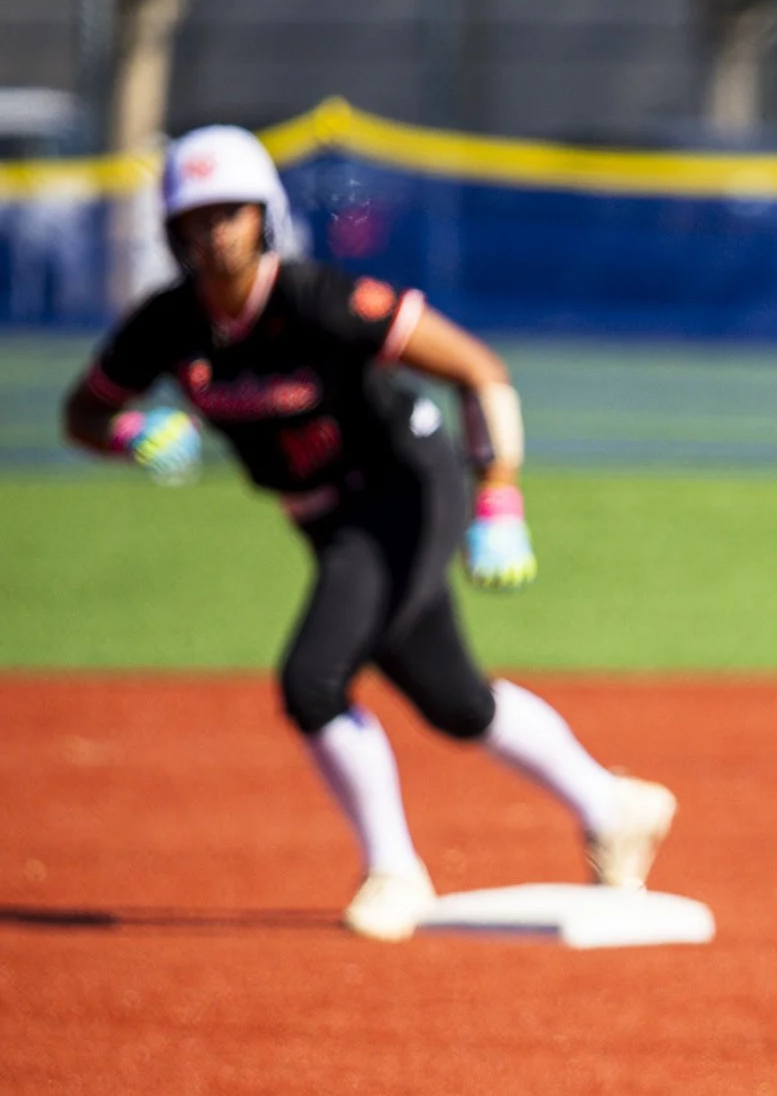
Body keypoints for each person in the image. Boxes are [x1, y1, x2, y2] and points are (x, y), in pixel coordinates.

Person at [62, 125, 676, 940]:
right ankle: (614, 806)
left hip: (409, 490)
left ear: (264, 217)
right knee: (455, 703)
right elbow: (83, 410)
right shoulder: (168, 325)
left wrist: (497, 494)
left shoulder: (319, 300)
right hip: (326, 519)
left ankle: (394, 870)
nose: (214, 233)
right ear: (172, 231)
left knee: (313, 682)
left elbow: (479, 369)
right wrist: (126, 431)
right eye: (195, 218)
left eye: (231, 213)